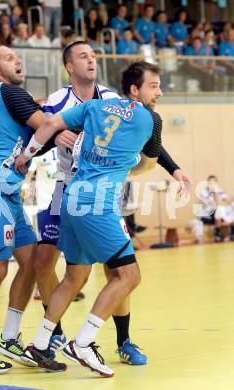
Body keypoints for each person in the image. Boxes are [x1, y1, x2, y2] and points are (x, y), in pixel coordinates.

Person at [29, 42, 190, 366]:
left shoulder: (101, 103)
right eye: (83, 56)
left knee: (78, 275)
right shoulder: (64, 100)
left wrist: (24, 156)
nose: (91, 59)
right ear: (69, 66)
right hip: (85, 194)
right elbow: (149, 154)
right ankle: (81, 341)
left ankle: (49, 341)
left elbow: (46, 128)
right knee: (126, 274)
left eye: (93, 55)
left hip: (76, 194)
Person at [0, 45, 73, 374]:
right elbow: (50, 130)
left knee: (32, 262)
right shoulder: (8, 92)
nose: (17, 60)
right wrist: (81, 130)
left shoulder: (16, 100)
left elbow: (44, 134)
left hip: (7, 191)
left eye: (16, 56)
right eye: (8, 58)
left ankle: (8, 338)